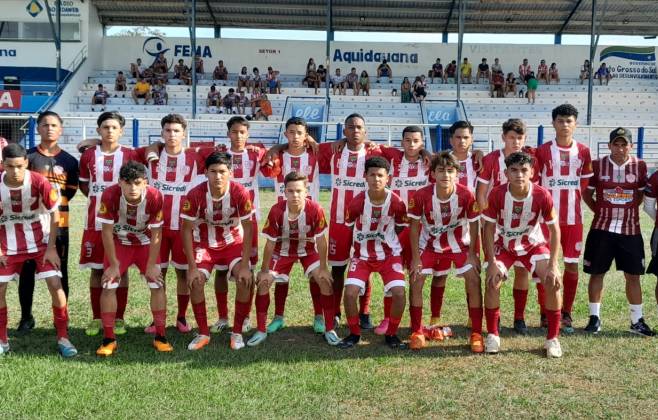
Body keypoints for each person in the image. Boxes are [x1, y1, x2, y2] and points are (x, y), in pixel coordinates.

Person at [482, 151, 563, 358]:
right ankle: (493, 335)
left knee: (552, 281)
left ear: (532, 172)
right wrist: (491, 261)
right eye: (514, 170)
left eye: (524, 170)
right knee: (492, 280)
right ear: (506, 173)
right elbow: (488, 230)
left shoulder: (542, 194)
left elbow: (554, 231)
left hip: (532, 245)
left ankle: (553, 339)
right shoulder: (497, 194)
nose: (519, 175)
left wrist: (554, 264)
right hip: (504, 245)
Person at [0, 143, 77, 357]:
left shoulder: (39, 181)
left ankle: (63, 337)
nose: (15, 171)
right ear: (3, 165)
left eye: (19, 166)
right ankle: (2, 340)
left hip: (40, 243)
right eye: (9, 166)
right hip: (8, 245)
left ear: (26, 163)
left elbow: (55, 214)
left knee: (55, 284)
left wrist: (51, 248)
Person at [195, 117, 266, 335]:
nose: (238, 136)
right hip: (219, 220)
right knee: (220, 271)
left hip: (246, 218)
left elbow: (278, 154)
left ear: (248, 134)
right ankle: (223, 316)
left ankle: (244, 318)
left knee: (247, 271)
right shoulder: (218, 152)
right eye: (234, 132)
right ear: (228, 134)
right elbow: (189, 150)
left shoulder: (257, 152)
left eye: (242, 132)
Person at [408, 152, 484, 352]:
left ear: (457, 174)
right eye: (441, 170)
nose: (446, 175)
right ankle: (416, 331)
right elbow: (414, 228)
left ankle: (476, 333)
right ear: (432, 173)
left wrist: (473, 254)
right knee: (416, 278)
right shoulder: (421, 195)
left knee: (474, 278)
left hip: (459, 245)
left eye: (450, 171)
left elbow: (475, 225)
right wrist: (416, 258)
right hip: (430, 245)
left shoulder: (466, 194)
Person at [252, 172, 339, 346]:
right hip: (282, 251)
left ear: (306, 191)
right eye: (290, 191)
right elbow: (269, 244)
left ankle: (326, 325)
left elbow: (321, 241)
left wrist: (323, 267)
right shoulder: (277, 210)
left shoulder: (315, 209)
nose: (295, 195)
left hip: (308, 250)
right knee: (264, 283)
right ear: (284, 192)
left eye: (299, 191)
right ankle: (264, 328)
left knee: (323, 280)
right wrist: (264, 270)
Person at [582, 128, 654, 337]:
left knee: (633, 276)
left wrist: (626, 210)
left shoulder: (639, 165)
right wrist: (601, 210)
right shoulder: (598, 165)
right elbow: (587, 194)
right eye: (616, 144)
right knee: (597, 273)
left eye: (624, 144)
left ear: (631, 146)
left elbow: (640, 196)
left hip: (630, 230)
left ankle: (636, 320)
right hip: (601, 229)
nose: (620, 148)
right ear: (609, 145)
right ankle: (594, 318)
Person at [181, 151, 255, 351]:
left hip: (232, 243)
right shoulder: (195, 194)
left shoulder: (240, 192)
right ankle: (204, 333)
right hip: (204, 244)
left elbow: (248, 228)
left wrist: (246, 264)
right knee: (195, 281)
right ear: (205, 172)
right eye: (213, 171)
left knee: (244, 278)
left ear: (230, 172)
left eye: (222, 171)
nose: (218, 176)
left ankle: (237, 332)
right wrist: (192, 267)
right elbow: (186, 229)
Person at [95, 162, 169, 356]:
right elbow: (106, 232)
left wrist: (152, 265)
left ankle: (161, 336)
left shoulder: (155, 196)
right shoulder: (110, 195)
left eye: (137, 183)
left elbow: (157, 234)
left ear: (145, 182)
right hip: (119, 243)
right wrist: (113, 264)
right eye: (127, 183)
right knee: (109, 284)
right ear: (120, 182)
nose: (132, 188)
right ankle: (109, 339)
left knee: (157, 284)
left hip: (145, 244)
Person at [317, 114, 382, 329]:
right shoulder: (334, 150)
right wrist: (274, 148)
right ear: (344, 131)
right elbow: (301, 143)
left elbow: (410, 152)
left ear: (365, 132)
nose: (355, 131)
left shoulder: (374, 152)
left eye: (359, 128)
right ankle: (335, 312)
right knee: (337, 268)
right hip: (339, 221)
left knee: (365, 266)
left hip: (365, 222)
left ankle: (364, 312)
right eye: (351, 128)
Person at [141, 114, 204, 335]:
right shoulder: (152, 156)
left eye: (176, 131)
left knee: (183, 274)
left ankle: (181, 316)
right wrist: (152, 146)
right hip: (157, 228)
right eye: (167, 130)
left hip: (184, 228)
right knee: (158, 273)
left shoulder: (196, 157)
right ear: (162, 133)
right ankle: (157, 318)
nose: (172, 135)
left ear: (184, 134)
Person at [17, 112, 79, 334]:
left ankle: (61, 317)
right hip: (31, 224)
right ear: (38, 129)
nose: (49, 128)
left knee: (60, 271)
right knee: (27, 270)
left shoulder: (70, 161)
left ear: (60, 129)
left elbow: (69, 192)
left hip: (60, 223)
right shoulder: (29, 158)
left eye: (54, 125)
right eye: (45, 125)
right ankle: (26, 317)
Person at [337, 157, 408, 349]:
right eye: (372, 175)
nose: (376, 179)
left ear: (388, 178)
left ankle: (392, 334)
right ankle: (354, 334)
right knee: (350, 293)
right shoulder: (357, 202)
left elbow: (401, 228)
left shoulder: (397, 203)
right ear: (365, 177)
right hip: (362, 256)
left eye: (380, 175)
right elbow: (349, 228)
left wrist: (388, 242)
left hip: (389, 255)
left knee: (399, 293)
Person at [534, 104, 593, 333]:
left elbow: (585, 183)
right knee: (545, 266)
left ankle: (566, 312)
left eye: (569, 121)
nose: (565, 125)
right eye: (560, 120)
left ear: (575, 123)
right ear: (553, 123)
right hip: (546, 220)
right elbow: (536, 184)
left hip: (573, 219)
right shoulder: (542, 151)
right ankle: (545, 313)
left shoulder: (584, 151)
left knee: (570, 265)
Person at [79, 112, 137, 337]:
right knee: (96, 269)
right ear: (98, 130)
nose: (110, 131)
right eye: (105, 127)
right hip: (94, 221)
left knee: (120, 270)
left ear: (121, 131)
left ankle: (119, 318)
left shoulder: (131, 155)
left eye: (114, 127)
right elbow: (85, 186)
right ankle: (96, 318)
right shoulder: (88, 156)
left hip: (122, 222)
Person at [476, 119, 534, 334]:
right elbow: (481, 191)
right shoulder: (492, 159)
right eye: (511, 137)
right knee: (494, 272)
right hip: (497, 225)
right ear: (503, 137)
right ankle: (495, 318)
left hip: (522, 225)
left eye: (520, 138)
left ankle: (519, 317)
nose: (516, 142)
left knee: (521, 271)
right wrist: (486, 218)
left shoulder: (529, 157)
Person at [374, 126, 431, 335]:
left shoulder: (429, 163)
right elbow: (371, 146)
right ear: (402, 142)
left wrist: (428, 154)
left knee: (417, 274)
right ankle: (388, 318)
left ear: (422, 143)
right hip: (395, 228)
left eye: (416, 141)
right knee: (393, 274)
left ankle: (419, 322)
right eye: (408, 141)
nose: (412, 145)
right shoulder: (394, 158)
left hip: (420, 229)